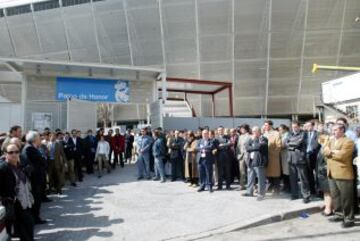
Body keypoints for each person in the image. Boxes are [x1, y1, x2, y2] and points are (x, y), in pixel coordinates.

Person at [323, 124, 355, 228]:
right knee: (335, 196)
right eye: (332, 130)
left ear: (342, 131)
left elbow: (343, 156)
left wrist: (330, 152)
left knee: (346, 198)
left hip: (343, 173)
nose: (333, 132)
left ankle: (349, 219)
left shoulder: (348, 141)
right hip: (331, 172)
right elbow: (324, 151)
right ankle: (338, 214)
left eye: (335, 130)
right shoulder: (331, 141)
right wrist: (333, 151)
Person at [0, 144, 34, 241]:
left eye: (16, 152)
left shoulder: (19, 166)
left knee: (27, 228)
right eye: (11, 152)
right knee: (27, 227)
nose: (14, 154)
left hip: (25, 203)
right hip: (14, 204)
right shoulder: (3, 168)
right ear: (5, 154)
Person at [21, 131, 47, 224]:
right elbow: (42, 161)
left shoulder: (32, 148)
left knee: (37, 199)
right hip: (35, 179)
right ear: (35, 139)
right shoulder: (29, 149)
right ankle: (35, 218)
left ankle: (35, 217)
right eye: (39, 138)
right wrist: (43, 160)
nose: (41, 140)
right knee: (36, 200)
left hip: (36, 178)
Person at [286, 121, 311, 203]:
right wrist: (292, 144)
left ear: (299, 127)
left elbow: (298, 143)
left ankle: (306, 195)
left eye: (296, 127)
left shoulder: (304, 133)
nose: (294, 128)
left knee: (303, 178)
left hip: (300, 158)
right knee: (292, 178)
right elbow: (286, 143)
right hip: (291, 158)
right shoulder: (289, 133)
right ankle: (294, 194)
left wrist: (291, 144)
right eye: (293, 127)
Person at [242, 126, 268, 201]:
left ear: (259, 131)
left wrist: (252, 146)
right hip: (251, 160)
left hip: (259, 161)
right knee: (250, 177)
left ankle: (261, 194)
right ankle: (249, 192)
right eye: (252, 131)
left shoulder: (263, 138)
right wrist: (252, 146)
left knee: (260, 178)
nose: (253, 133)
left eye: (254, 131)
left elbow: (259, 147)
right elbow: (247, 147)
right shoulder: (251, 139)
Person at [316, 123, 333, 216]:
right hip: (322, 173)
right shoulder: (322, 147)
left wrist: (323, 169)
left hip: (325, 173)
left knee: (328, 192)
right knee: (326, 192)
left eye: (322, 139)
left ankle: (329, 209)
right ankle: (329, 207)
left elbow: (328, 161)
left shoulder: (327, 148)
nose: (320, 140)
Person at [263, 120, 282, 195]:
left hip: (273, 158)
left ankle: (277, 190)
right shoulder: (264, 134)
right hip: (265, 157)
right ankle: (270, 188)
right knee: (268, 174)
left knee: (275, 175)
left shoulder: (276, 133)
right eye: (264, 125)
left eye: (266, 125)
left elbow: (279, 146)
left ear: (270, 126)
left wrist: (273, 153)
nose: (265, 127)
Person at [304, 121, 321, 195]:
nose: (308, 127)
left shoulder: (318, 134)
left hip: (315, 155)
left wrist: (313, 150)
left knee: (317, 174)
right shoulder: (304, 134)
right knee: (309, 174)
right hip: (307, 156)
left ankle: (319, 190)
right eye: (306, 126)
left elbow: (318, 144)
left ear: (313, 126)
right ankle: (312, 190)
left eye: (309, 126)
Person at [237, 124, 251, 190]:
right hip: (241, 156)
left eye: (242, 129)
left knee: (250, 170)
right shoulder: (240, 136)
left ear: (246, 129)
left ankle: (251, 185)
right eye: (241, 129)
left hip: (248, 155)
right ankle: (242, 185)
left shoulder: (250, 136)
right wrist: (238, 155)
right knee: (241, 171)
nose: (241, 130)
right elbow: (238, 146)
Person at [279, 124, 290, 193]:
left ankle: (288, 187)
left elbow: (283, 144)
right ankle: (286, 186)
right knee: (284, 172)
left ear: (284, 129)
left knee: (287, 171)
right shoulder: (282, 135)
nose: (279, 131)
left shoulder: (287, 135)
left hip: (286, 155)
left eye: (280, 129)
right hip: (282, 155)